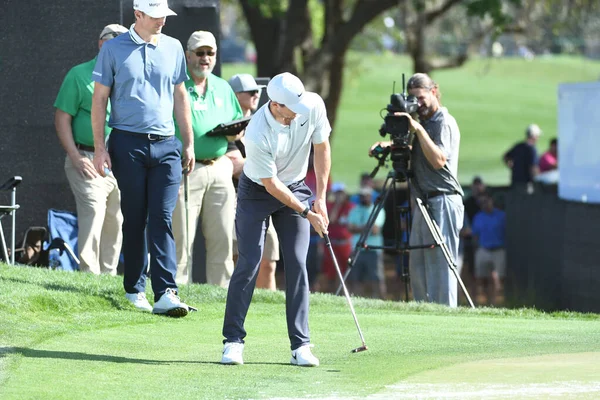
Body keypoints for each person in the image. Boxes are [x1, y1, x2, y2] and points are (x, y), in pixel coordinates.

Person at [91, 0, 195, 317]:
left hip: (167, 145)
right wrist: (99, 147)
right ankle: (135, 288)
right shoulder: (113, 50)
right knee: (135, 218)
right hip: (127, 143)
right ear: (138, 15)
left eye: (165, 14)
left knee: (162, 218)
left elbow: (180, 95)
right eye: (156, 15)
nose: (163, 20)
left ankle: (166, 292)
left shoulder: (175, 47)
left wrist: (188, 143)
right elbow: (99, 100)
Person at [221, 72, 331, 367]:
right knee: (250, 261)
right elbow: (271, 184)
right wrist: (307, 212)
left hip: (295, 186)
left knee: (297, 262)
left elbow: (321, 148)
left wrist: (319, 197)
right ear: (275, 104)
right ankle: (233, 341)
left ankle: (301, 346)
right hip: (258, 191)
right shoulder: (257, 131)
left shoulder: (312, 106)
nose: (297, 114)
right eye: (290, 110)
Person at [369, 72, 464, 307]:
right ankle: (423, 314)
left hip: (443, 198)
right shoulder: (424, 123)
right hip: (423, 199)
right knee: (418, 263)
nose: (417, 104)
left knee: (442, 264)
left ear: (433, 92)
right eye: (412, 99)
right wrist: (390, 145)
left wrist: (417, 129)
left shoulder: (443, 121)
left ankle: (447, 319)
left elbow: (439, 160)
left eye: (420, 97)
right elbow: (416, 150)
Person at [54, 24, 127, 276]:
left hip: (118, 160)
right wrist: (75, 156)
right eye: (113, 42)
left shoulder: (127, 76)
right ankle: (88, 275)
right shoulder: (79, 74)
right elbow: (62, 118)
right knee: (94, 211)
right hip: (85, 156)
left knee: (116, 220)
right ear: (101, 44)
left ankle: (108, 276)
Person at [171, 31, 243, 287]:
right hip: (186, 168)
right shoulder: (176, 85)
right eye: (199, 53)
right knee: (182, 236)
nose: (205, 58)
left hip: (219, 166)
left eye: (209, 53)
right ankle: (177, 290)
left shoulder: (223, 87)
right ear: (188, 55)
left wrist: (236, 131)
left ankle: (221, 293)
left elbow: (237, 125)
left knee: (223, 236)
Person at [226, 73, 280, 291]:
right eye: (250, 91)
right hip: (234, 202)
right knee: (235, 259)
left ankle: (268, 306)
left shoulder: (264, 126)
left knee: (269, 261)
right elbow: (238, 169)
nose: (256, 94)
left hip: (263, 202)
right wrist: (261, 163)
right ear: (235, 95)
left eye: (257, 91)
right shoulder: (226, 128)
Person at [347, 187, 387, 299]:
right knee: (356, 279)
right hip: (357, 249)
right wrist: (367, 226)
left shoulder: (378, 210)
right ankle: (358, 301)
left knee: (377, 279)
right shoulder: (354, 210)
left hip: (373, 250)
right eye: (362, 195)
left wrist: (358, 228)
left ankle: (380, 301)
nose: (364, 197)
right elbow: (350, 228)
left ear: (371, 196)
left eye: (367, 195)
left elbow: (375, 230)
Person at [469, 192, 506, 306]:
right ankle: (481, 303)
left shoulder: (501, 216)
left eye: (486, 201)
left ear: (491, 201)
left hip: (498, 250)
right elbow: (475, 234)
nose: (485, 204)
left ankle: (495, 303)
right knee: (481, 279)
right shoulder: (478, 217)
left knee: (497, 278)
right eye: (482, 202)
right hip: (483, 249)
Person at [318, 182, 354, 293]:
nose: (339, 196)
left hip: (345, 244)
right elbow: (332, 220)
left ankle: (345, 294)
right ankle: (332, 293)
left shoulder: (350, 206)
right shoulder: (329, 206)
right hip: (331, 243)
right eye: (337, 193)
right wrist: (337, 205)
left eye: (341, 193)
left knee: (345, 272)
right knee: (331, 272)